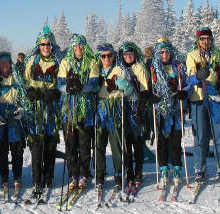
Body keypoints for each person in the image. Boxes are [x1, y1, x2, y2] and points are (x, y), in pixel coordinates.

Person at [180, 26, 220, 184]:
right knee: (201, 135)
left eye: (208, 38)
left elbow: (219, 72)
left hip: (215, 97)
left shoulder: (215, 53)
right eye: (203, 39)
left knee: (219, 133)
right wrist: (198, 78)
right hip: (199, 99)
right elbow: (189, 79)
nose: (206, 41)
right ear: (198, 40)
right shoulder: (192, 55)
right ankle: (199, 167)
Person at [23, 26, 62, 202]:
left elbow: (63, 83)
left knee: (51, 143)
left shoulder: (58, 61)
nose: (46, 47)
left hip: (52, 109)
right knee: (37, 144)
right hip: (37, 109)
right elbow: (23, 81)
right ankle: (36, 180)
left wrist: (57, 92)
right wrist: (30, 91)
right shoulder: (32, 61)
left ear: (52, 45)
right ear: (39, 45)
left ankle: (48, 176)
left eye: (48, 44)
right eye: (42, 44)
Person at [56, 34, 99, 190]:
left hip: (85, 110)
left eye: (80, 45)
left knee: (85, 145)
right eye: (75, 46)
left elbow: (94, 84)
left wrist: (83, 87)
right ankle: (73, 174)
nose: (78, 48)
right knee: (70, 145)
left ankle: (83, 173)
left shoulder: (92, 62)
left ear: (85, 46)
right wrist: (67, 88)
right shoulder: (66, 62)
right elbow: (59, 84)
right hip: (69, 110)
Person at [150, 36, 188, 187]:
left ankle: (177, 169)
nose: (164, 55)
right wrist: (150, 96)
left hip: (175, 110)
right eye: (161, 53)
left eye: (167, 52)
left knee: (175, 141)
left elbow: (186, 84)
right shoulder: (152, 67)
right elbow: (147, 86)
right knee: (161, 143)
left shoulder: (177, 67)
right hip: (159, 110)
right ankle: (164, 169)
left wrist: (183, 92)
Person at [115, 41, 154, 190]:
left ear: (135, 54)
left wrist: (140, 109)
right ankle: (129, 171)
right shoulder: (119, 69)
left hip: (137, 109)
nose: (128, 57)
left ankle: (138, 171)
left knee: (137, 143)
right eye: (125, 54)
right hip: (123, 108)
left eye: (130, 54)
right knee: (126, 143)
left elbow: (145, 91)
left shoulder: (140, 68)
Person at [0, 51, 27, 193]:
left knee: (17, 149)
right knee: (1, 149)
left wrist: (21, 109)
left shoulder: (18, 78)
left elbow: (24, 98)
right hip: (1, 117)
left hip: (15, 118)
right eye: (2, 63)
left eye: (7, 62)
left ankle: (17, 175)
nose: (5, 65)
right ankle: (4, 175)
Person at [94, 43, 124, 193]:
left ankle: (119, 175)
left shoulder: (119, 69)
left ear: (113, 55)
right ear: (100, 57)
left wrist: (121, 85)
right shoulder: (96, 69)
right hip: (100, 108)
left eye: (109, 55)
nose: (106, 58)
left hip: (114, 107)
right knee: (99, 145)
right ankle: (99, 176)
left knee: (116, 144)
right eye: (103, 56)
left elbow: (128, 88)